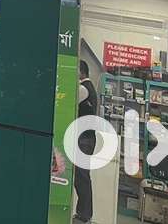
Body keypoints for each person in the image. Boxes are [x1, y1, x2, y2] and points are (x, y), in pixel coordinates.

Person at [74, 60, 98, 224]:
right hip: (87, 137)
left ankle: (84, 214)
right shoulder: (89, 88)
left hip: (84, 139)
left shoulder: (83, 89)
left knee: (81, 176)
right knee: (82, 176)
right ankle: (83, 213)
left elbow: (69, 103)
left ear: (81, 72)